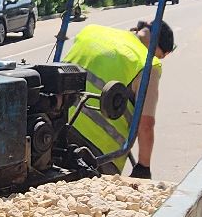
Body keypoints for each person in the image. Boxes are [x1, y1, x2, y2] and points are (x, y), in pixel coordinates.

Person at [64, 19, 175, 179]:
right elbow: (146, 124)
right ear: (159, 49)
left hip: (57, 128)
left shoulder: (91, 31)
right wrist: (143, 166)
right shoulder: (147, 63)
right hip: (98, 154)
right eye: (160, 56)